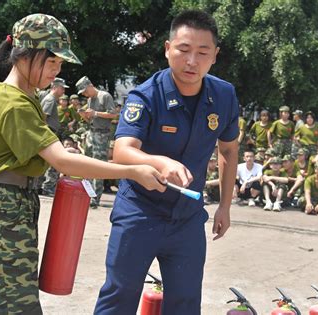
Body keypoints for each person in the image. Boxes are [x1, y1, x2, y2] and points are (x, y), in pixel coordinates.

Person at [0, 13, 165, 314]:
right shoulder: (12, 101)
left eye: (59, 64)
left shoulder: (25, 96)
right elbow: (62, 162)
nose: (56, 71)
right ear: (26, 55)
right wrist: (131, 171)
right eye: (52, 62)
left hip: (11, 207)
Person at [94, 10, 239, 314]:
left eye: (202, 52)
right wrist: (159, 161)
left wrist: (225, 204)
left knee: (185, 304)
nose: (191, 61)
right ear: (167, 48)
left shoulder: (224, 95)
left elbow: (228, 150)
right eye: (183, 50)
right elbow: (122, 150)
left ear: (215, 56)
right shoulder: (145, 96)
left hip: (187, 220)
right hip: (139, 213)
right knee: (119, 296)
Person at [75, 75, 118, 208]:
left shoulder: (104, 96)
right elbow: (90, 119)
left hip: (102, 135)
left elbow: (113, 114)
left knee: (97, 166)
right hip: (91, 133)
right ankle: (86, 194)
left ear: (90, 85)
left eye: (85, 91)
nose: (85, 94)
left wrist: (96, 113)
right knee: (86, 165)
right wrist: (84, 116)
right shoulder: (90, 100)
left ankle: (95, 198)